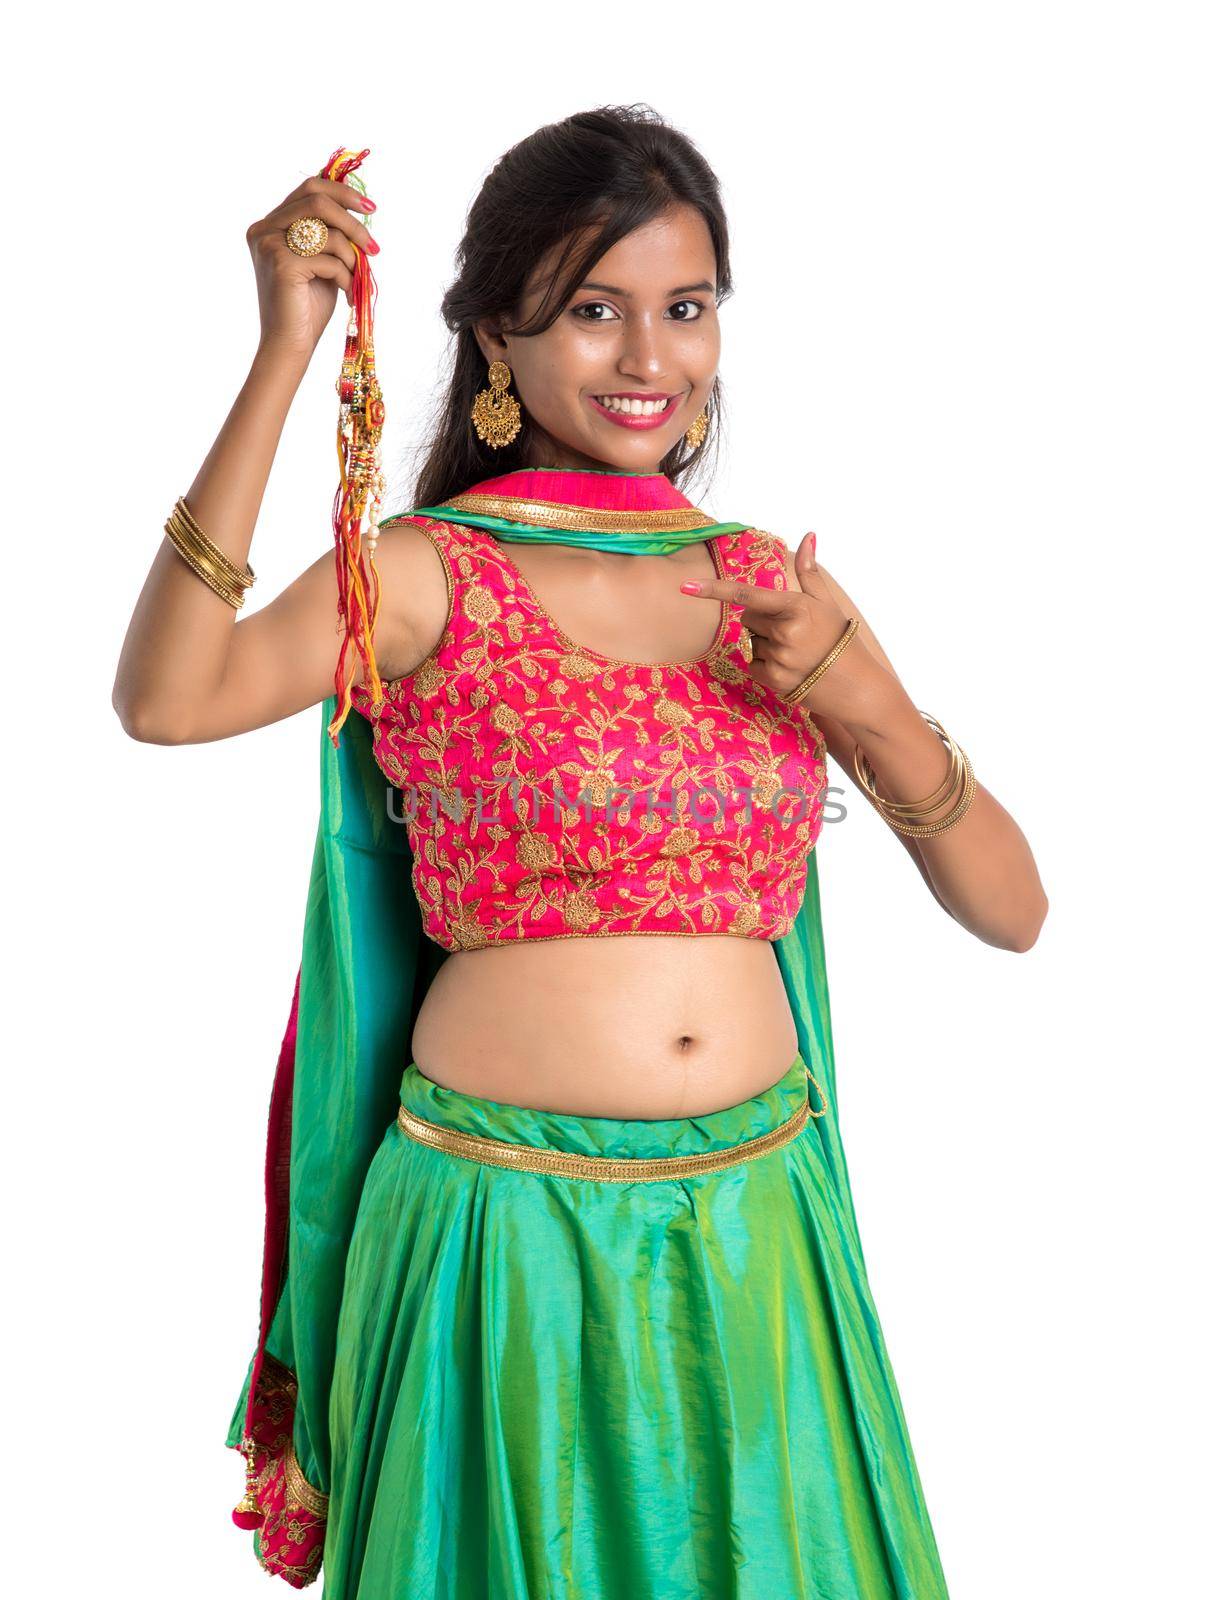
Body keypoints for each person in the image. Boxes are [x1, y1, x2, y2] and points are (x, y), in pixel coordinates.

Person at [114, 104, 1046, 1598]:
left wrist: (867, 703)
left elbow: (1012, 910)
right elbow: (166, 700)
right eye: (592, 312)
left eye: (684, 310)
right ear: (497, 338)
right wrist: (286, 349)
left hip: (755, 1225)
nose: (647, 360)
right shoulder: (430, 574)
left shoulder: (766, 588)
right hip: (504, 1234)